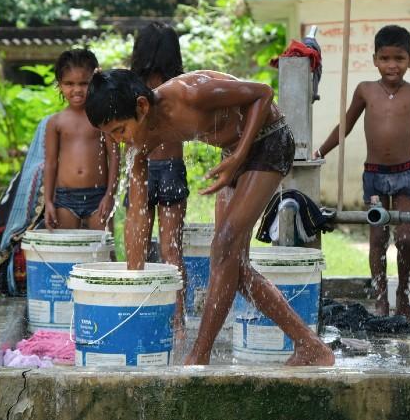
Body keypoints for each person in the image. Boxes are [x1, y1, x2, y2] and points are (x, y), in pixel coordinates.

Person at [84, 68, 335, 366]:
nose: (120, 140)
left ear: (141, 106)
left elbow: (263, 93)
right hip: (234, 155)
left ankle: (199, 355)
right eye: (110, 135)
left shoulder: (191, 94)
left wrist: (239, 156)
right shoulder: (140, 139)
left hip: (269, 141)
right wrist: (133, 283)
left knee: (224, 246)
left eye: (119, 130)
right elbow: (137, 215)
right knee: (231, 264)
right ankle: (310, 345)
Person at [313, 25, 410, 318]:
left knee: (405, 238)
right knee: (378, 238)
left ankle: (403, 294)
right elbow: (346, 125)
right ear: (375, 59)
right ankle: (381, 296)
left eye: (399, 59)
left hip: (406, 174)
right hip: (375, 177)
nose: (392, 65)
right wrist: (320, 152)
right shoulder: (365, 90)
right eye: (385, 58)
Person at [129, 22, 189, 333]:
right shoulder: (179, 84)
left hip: (145, 167)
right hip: (166, 166)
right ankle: (176, 322)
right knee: (170, 250)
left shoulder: (134, 85)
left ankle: (138, 314)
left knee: (138, 251)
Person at [44, 49, 120, 231]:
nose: (77, 89)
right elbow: (51, 163)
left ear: (95, 82)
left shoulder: (103, 118)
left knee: (104, 252)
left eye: (84, 83)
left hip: (98, 196)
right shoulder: (56, 122)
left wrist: (110, 194)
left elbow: (115, 156)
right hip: (65, 199)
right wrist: (48, 201)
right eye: (69, 83)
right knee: (68, 252)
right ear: (60, 85)